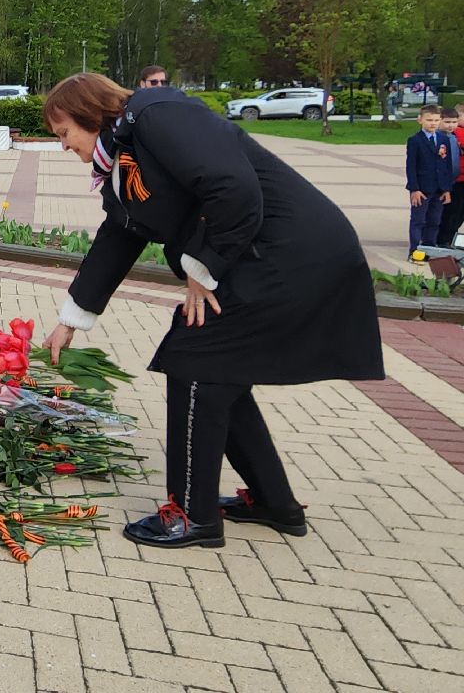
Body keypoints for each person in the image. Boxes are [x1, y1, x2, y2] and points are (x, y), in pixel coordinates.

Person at [41, 73, 382, 550]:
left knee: (194, 362)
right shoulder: (126, 155)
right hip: (259, 257)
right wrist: (70, 319)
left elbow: (233, 187)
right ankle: (273, 503)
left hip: (288, 254)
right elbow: (119, 235)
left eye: (63, 134)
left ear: (90, 114)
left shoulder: (156, 115)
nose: (63, 147)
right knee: (220, 372)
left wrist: (203, 267)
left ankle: (190, 516)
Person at [406, 103, 453, 256]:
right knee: (418, 220)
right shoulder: (415, 140)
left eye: (436, 120)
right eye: (429, 120)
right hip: (422, 189)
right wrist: (414, 189)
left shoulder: (443, 139)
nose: (433, 123)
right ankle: (415, 250)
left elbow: (447, 165)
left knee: (434, 221)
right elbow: (411, 166)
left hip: (439, 189)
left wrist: (447, 189)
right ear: (420, 120)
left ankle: (429, 249)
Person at [437, 107, 464, 248]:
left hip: (458, 179)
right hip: (456, 181)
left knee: (458, 214)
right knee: (451, 213)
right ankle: (443, 239)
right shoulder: (455, 134)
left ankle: (449, 239)